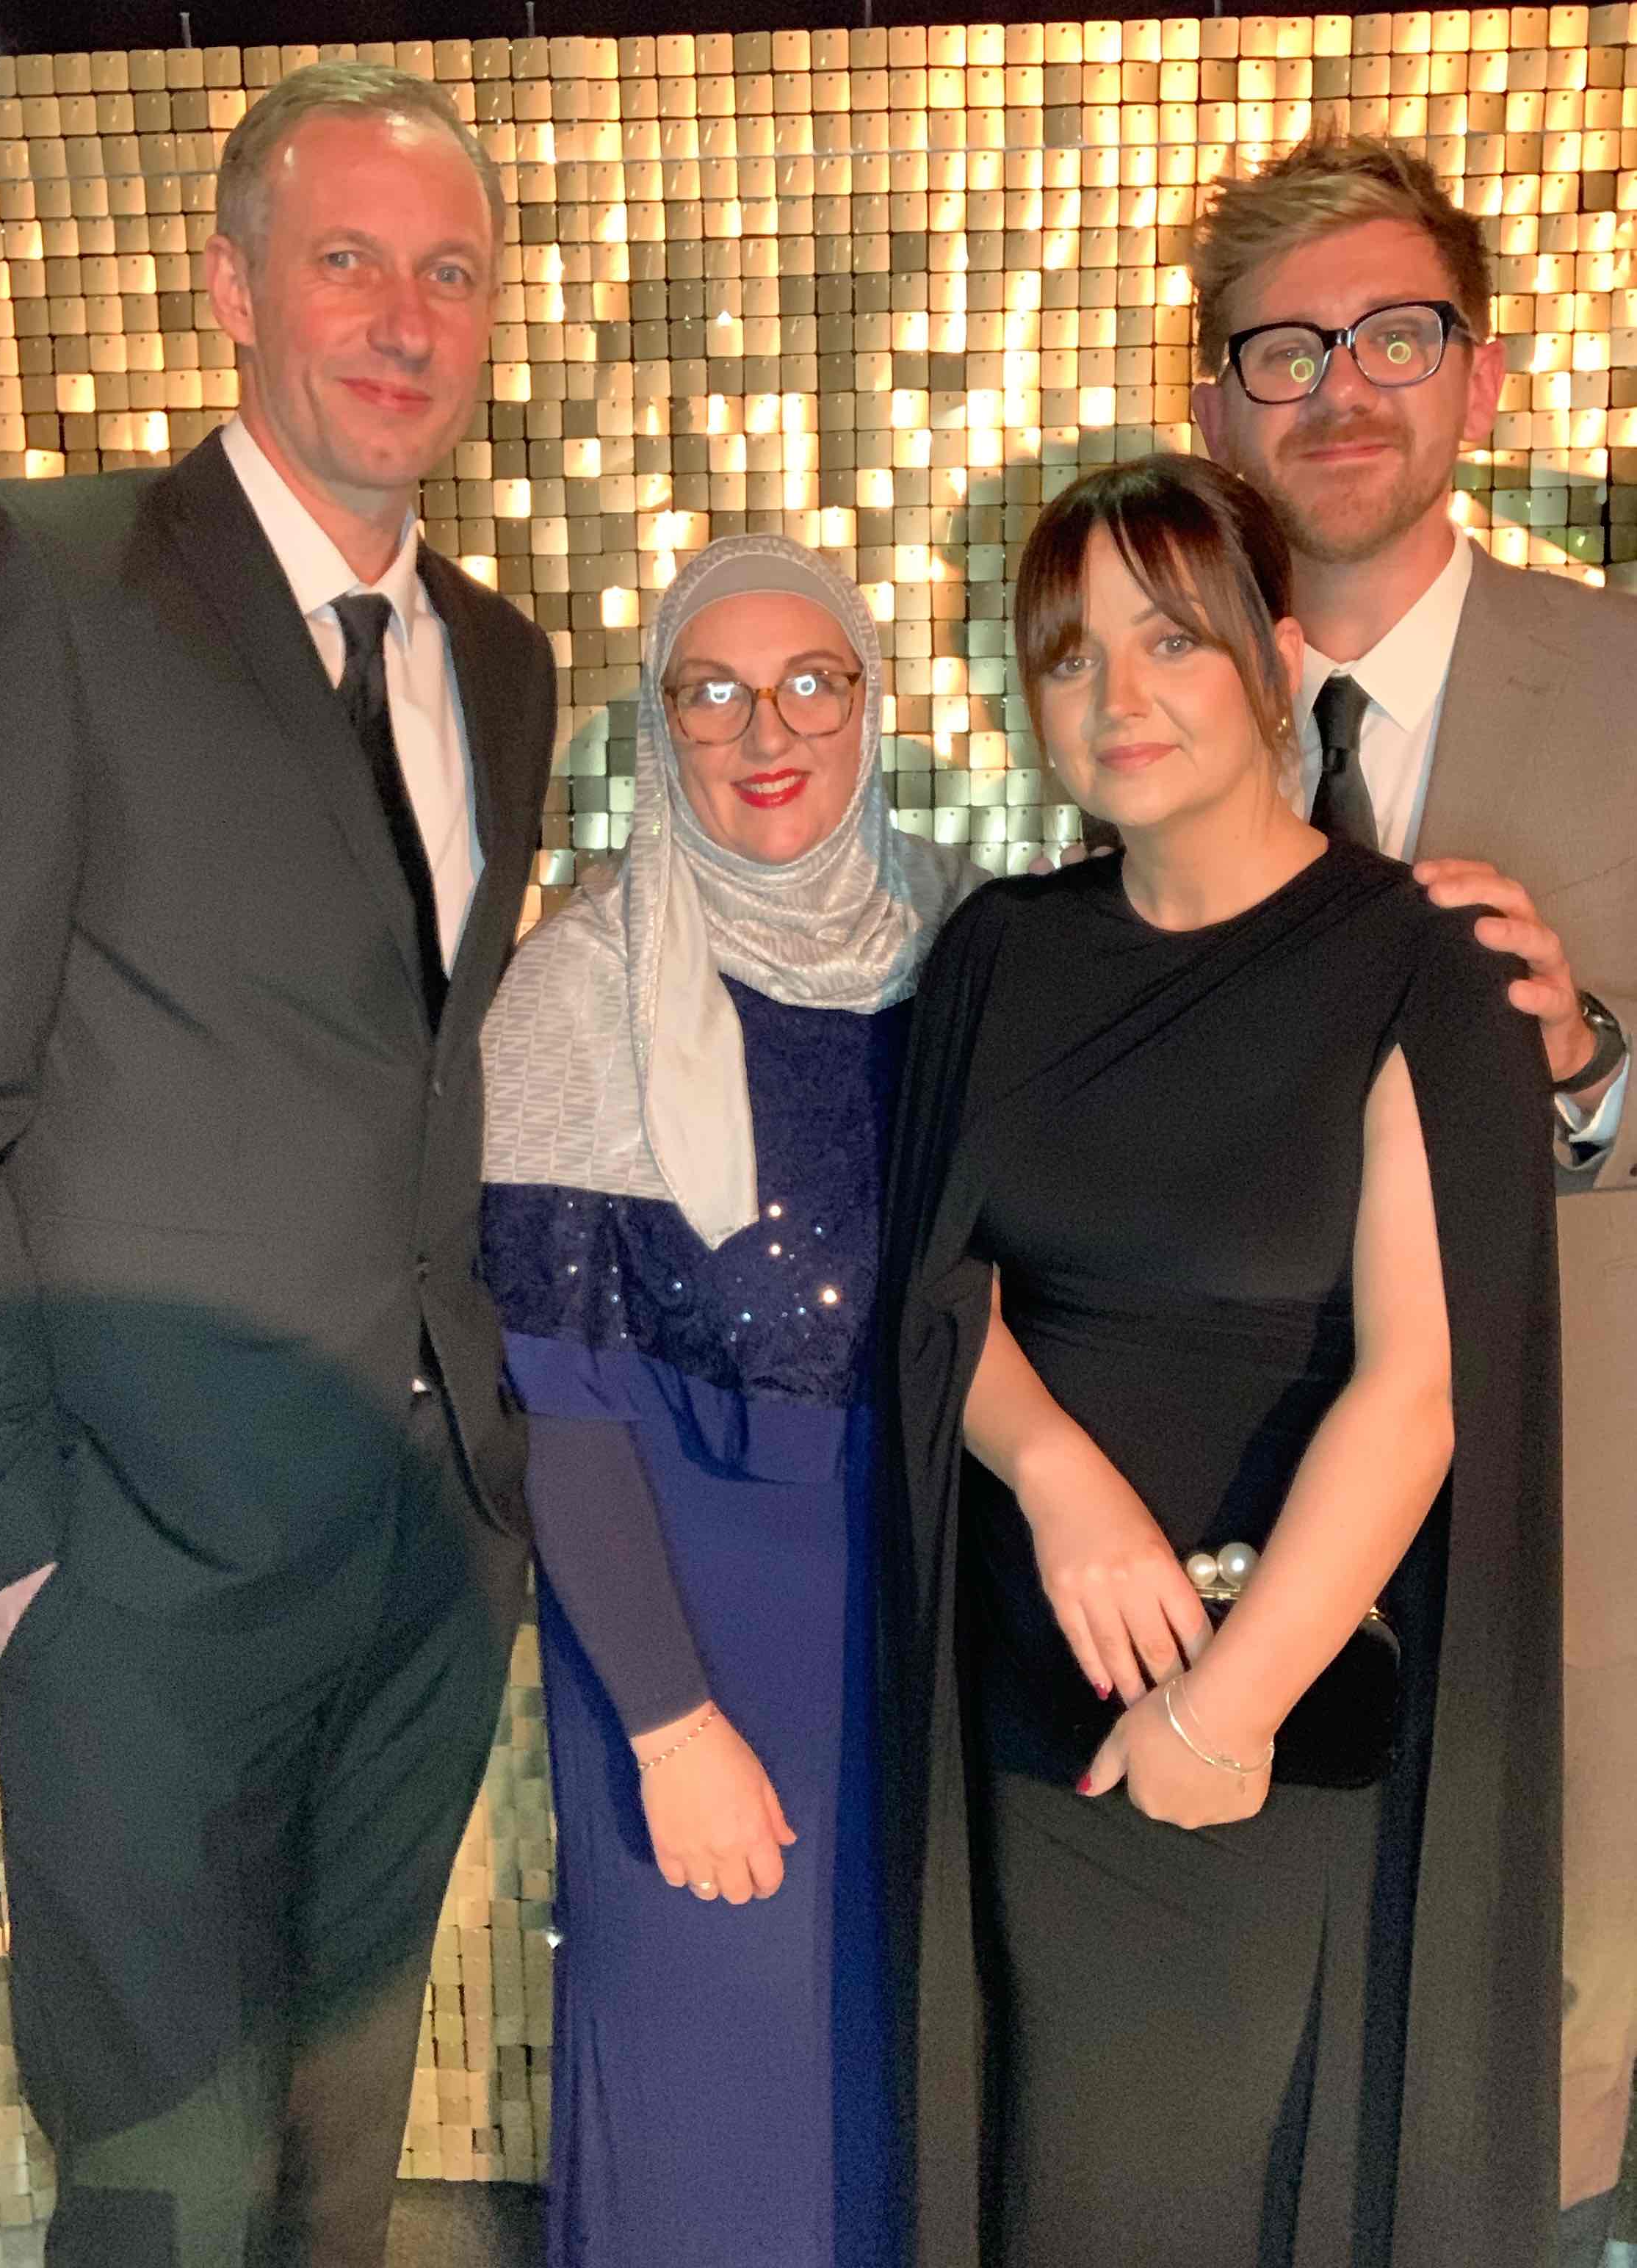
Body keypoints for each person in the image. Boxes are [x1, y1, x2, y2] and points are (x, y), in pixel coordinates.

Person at [0, 62, 554, 2267]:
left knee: (332, 2173)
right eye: (347, 259)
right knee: (166, 2193)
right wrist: (16, 1549)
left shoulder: (502, 663)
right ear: (231, 286)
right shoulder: (43, 574)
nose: (403, 318)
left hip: (423, 1547)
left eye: (449, 273)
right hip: (141, 1572)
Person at [882, 454, 1561, 2268]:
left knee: (1201, 2194)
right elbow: (942, 1295)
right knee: (1050, 2184)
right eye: (1069, 654)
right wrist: (1059, 1477)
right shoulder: (999, 953)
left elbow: (1418, 1390)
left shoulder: (1418, 964)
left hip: (1277, 1704)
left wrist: (1223, 1707)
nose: (1116, 694)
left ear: (1275, 656)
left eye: (1169, 638)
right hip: (1030, 1699)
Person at [1188, 131, 1636, 2268]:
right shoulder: (1156, 704)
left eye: (1392, 335)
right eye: (1282, 350)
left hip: (1580, 1526)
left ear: (1480, 374)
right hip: (1243, 1515)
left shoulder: (1623, 676)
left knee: (1537, 2076)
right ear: (1214, 405)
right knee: (1263, 2068)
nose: (1338, 387)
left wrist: (1593, 1065)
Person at [478, 533, 976, 2268]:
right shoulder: (582, 984)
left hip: (924, 1639)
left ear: (870, 702)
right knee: (712, 2129)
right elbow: (559, 1396)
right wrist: (672, 1723)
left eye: (812, 681)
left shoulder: (972, 954)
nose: (769, 730)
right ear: (663, 725)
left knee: (908, 2115)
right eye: (715, 692)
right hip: (692, 1646)